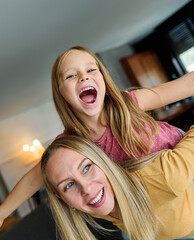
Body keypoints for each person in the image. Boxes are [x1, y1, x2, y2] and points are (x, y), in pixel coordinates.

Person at [0, 45, 194, 229]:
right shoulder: (72, 144)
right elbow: (34, 179)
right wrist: (2, 213)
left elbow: (184, 85)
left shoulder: (127, 104)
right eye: (71, 75)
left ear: (103, 77)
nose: (83, 78)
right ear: (61, 93)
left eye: (91, 70)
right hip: (160, 202)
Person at [41, 125, 194, 240]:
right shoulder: (96, 202)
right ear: (62, 198)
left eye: (87, 168)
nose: (86, 188)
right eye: (68, 185)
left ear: (103, 162)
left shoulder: (165, 177)